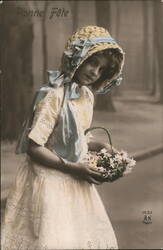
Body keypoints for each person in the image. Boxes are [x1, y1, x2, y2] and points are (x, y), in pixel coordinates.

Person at [1, 25, 125, 249]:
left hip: (74, 180)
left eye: (102, 69)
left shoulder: (86, 96)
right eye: (92, 63)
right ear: (77, 58)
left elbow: (74, 139)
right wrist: (72, 168)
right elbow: (34, 147)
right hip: (48, 180)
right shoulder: (53, 95)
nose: (95, 72)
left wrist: (100, 146)